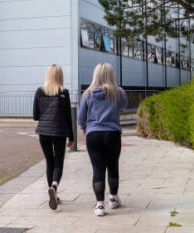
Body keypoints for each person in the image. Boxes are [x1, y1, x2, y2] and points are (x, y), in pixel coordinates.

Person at [77, 62, 128, 216]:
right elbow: (124, 106)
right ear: (111, 75)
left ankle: (99, 205)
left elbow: (81, 118)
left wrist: (86, 130)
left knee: (97, 169)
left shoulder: (87, 94)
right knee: (113, 166)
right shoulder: (117, 92)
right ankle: (113, 198)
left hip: (93, 134)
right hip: (112, 134)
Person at [32, 64, 74, 210]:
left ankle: (53, 193)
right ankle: (54, 186)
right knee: (58, 163)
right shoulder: (64, 92)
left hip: (43, 132)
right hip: (59, 132)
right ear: (60, 76)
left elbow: (35, 116)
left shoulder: (39, 91)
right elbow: (69, 117)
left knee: (49, 162)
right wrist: (72, 137)